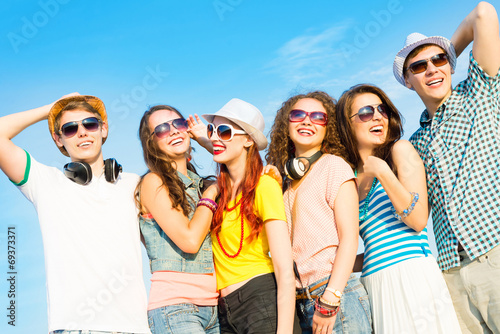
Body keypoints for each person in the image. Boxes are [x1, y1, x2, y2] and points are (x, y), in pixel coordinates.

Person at [0, 94, 150, 333]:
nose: (82, 132)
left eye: (89, 124)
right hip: (72, 327)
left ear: (103, 129)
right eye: (70, 129)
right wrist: (52, 108)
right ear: (58, 139)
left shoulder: (135, 184)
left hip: (135, 327)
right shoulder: (44, 182)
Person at [393, 2, 500, 332]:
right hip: (450, 272)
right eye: (419, 66)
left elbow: (483, 12)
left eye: (438, 60)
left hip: (494, 255)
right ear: (408, 81)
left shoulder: (481, 93)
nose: (431, 69)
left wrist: (447, 53)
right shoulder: (414, 143)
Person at [335, 84, 461, 333]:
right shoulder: (348, 178)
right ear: (347, 124)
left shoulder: (399, 151)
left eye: (382, 109)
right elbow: (376, 245)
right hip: (375, 283)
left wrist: (382, 171)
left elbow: (417, 220)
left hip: (413, 275)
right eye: (366, 112)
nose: (378, 116)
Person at [266, 91, 372, 334]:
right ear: (287, 123)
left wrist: (330, 299)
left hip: (333, 295)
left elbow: (349, 239)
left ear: (328, 128)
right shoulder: (283, 183)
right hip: (299, 301)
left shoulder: (334, 166)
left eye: (317, 117)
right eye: (298, 115)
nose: (307, 121)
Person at [201, 98, 295, 334]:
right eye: (211, 130)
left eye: (224, 131)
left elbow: (284, 268)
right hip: (225, 312)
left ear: (248, 140)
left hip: (260, 299)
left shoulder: (265, 185)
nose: (213, 137)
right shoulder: (217, 194)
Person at [135, 105, 220, 333]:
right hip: (176, 310)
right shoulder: (153, 182)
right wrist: (212, 194)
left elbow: (240, 167)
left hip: (216, 308)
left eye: (178, 124)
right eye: (162, 129)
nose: (173, 131)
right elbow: (190, 241)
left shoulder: (202, 184)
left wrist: (206, 141)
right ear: (152, 143)